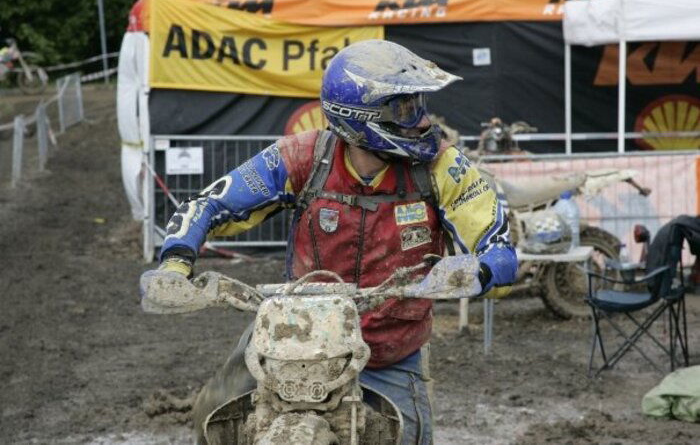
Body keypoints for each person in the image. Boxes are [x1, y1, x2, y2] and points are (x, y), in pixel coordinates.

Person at [148, 39, 518, 444]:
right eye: (404, 109)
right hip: (291, 337)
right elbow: (209, 204)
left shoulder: (442, 167)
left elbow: (495, 238)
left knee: (411, 436)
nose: (420, 121)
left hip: (387, 348)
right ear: (360, 119)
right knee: (212, 419)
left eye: (416, 105)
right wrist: (175, 264)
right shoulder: (301, 157)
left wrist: (483, 267)